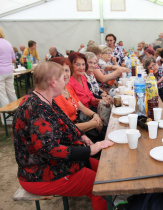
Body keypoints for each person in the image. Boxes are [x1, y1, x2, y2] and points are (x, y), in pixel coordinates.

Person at [13, 61, 114, 210]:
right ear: (53, 82)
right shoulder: (37, 109)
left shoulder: (44, 100)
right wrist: (90, 150)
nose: (65, 82)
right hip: (39, 174)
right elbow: (49, 150)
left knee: (105, 170)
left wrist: (81, 136)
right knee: (100, 186)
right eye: (63, 78)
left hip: (52, 165)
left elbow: (66, 122)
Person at [51, 57, 106, 143]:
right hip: (71, 136)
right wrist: (95, 123)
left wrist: (95, 115)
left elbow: (82, 107)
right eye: (60, 71)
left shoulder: (68, 88)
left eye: (66, 70)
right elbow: (68, 127)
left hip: (80, 126)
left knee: (108, 132)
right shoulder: (55, 96)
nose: (65, 74)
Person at [0, 26, 17, 124]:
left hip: (0, 72)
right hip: (9, 71)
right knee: (11, 92)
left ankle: (8, 120)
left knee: (2, 95)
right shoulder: (7, 43)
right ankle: (16, 115)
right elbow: (13, 60)